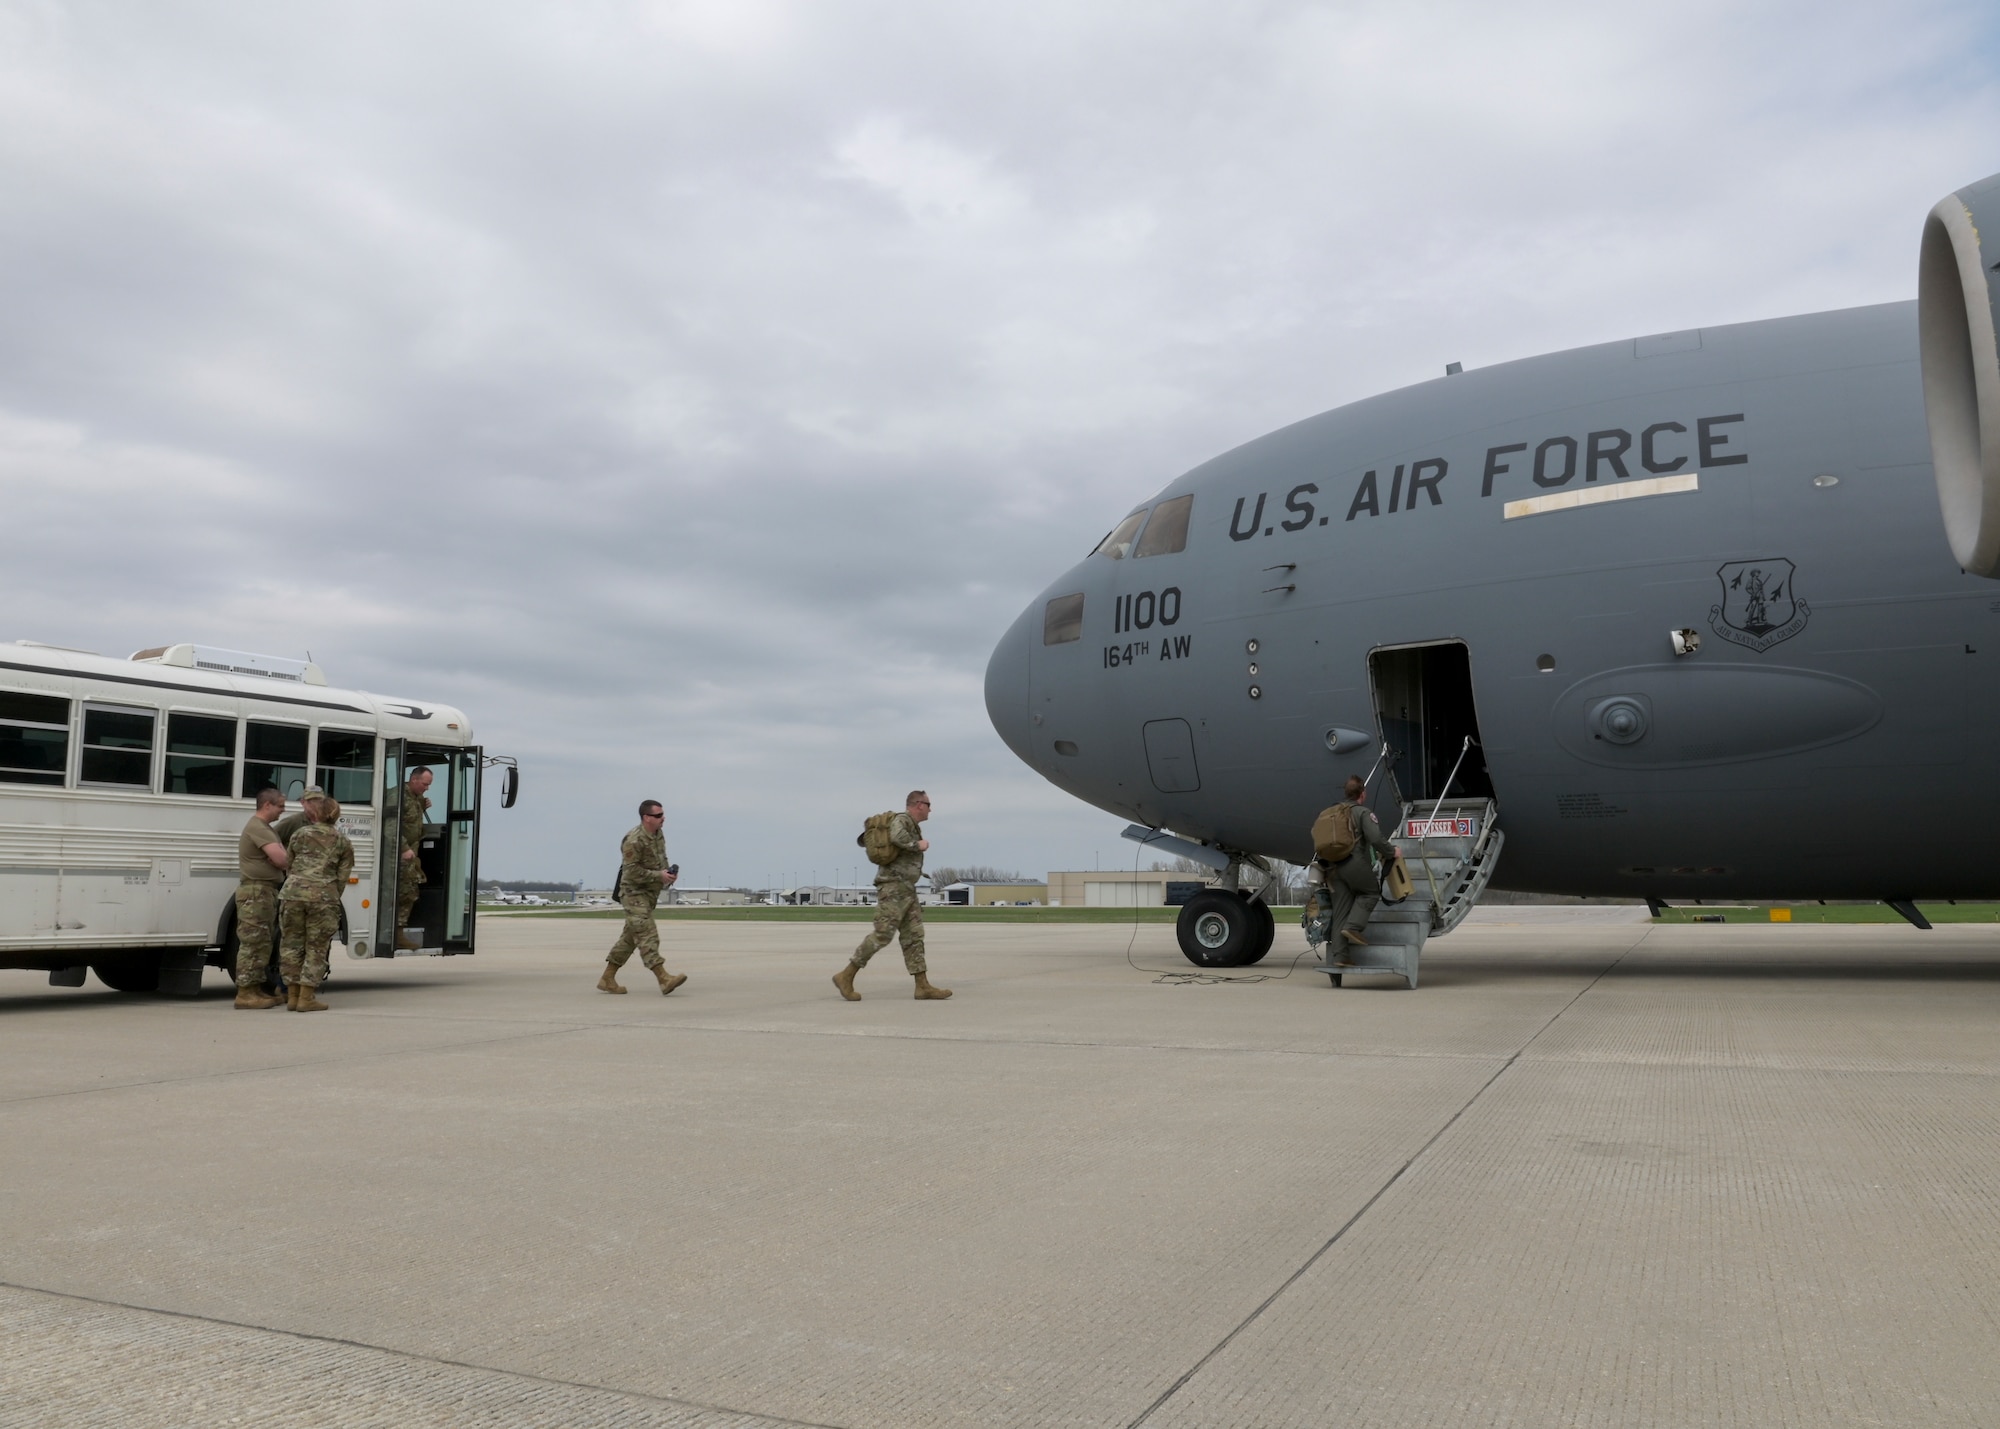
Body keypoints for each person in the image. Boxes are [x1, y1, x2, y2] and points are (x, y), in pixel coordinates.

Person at [833, 790, 950, 1001]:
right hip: (893, 888)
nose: (931, 809)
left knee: (914, 936)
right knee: (883, 934)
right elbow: (896, 836)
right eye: (928, 804)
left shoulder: (912, 825)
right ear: (918, 805)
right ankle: (846, 975)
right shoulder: (902, 820)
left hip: (906, 889)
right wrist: (917, 845)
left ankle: (922, 986)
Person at [599, 799, 686, 995]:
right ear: (646, 818)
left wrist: (668, 876)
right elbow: (630, 872)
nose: (663, 818)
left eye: (662, 814)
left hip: (649, 894)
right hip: (633, 894)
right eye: (658, 815)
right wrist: (658, 876)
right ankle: (663, 978)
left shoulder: (657, 835)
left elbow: (660, 860)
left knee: (630, 938)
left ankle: (607, 978)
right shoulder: (634, 840)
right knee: (647, 934)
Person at [278, 796, 354, 1011]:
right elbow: (342, 876)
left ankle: (292, 996)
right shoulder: (342, 841)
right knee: (316, 947)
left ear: (317, 814)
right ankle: (307, 997)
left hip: (293, 893)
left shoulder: (299, 834)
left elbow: (289, 864)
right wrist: (329, 894)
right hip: (322, 897)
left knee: (291, 944)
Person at [1314, 775, 1402, 954]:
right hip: (1353, 863)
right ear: (1362, 794)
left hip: (1331, 868)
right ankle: (1354, 927)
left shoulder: (1332, 812)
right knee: (1371, 892)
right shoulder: (1361, 812)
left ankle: (1340, 955)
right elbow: (1376, 838)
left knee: (1340, 911)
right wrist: (1392, 852)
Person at [231, 788, 290, 1009]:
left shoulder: (265, 829)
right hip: (256, 892)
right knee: (253, 942)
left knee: (263, 942)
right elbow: (281, 858)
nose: (282, 811)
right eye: (280, 806)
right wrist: (280, 860)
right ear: (267, 805)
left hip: (265, 891)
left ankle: (254, 989)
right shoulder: (258, 827)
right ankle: (245, 993)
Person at [394, 766, 434, 950]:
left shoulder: (415, 798)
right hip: (397, 856)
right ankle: (397, 935)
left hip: (410, 856)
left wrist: (422, 804)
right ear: (414, 780)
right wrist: (403, 847)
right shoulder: (398, 796)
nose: (427, 788)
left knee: (408, 893)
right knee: (404, 894)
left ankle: (398, 933)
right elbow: (390, 825)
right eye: (425, 784)